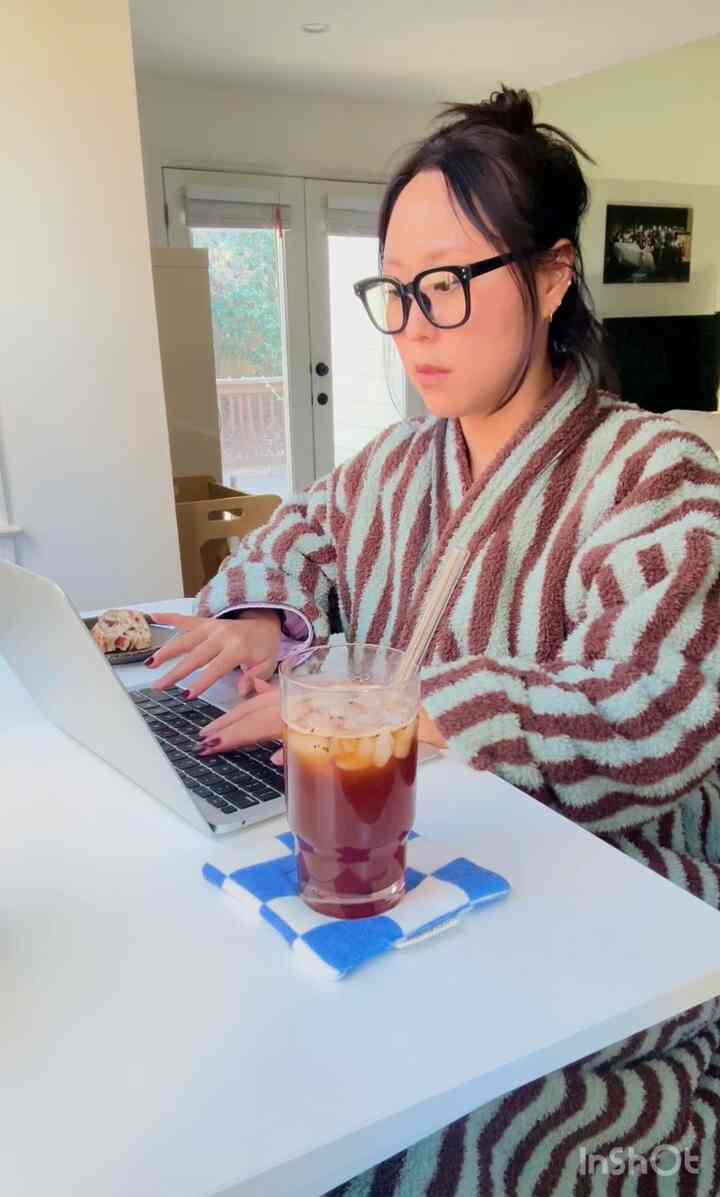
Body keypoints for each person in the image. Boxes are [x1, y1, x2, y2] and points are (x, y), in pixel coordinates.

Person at [146, 87, 720, 1195]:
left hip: (615, 908)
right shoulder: (395, 464)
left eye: (449, 285)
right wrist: (266, 609)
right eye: (398, 291)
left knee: (432, 1132)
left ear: (552, 276)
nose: (415, 324)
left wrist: (416, 712)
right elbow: (294, 537)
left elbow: (653, 712)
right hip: (410, 866)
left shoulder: (665, 479)